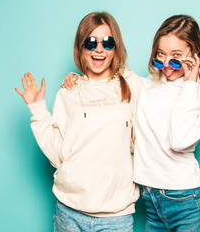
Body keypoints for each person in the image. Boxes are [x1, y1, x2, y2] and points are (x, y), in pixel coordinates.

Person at [63, 14, 200, 231]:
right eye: (161, 54)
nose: (166, 64)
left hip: (188, 203)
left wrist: (190, 84)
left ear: (194, 55)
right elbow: (109, 79)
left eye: (176, 56)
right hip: (152, 204)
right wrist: (79, 79)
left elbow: (180, 140)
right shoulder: (147, 85)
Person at [15, 12, 142, 232]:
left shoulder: (131, 85)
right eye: (91, 42)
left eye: (107, 42)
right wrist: (37, 109)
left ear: (116, 48)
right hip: (69, 212)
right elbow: (58, 153)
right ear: (80, 48)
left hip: (116, 218)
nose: (99, 49)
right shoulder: (68, 93)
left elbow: (156, 111)